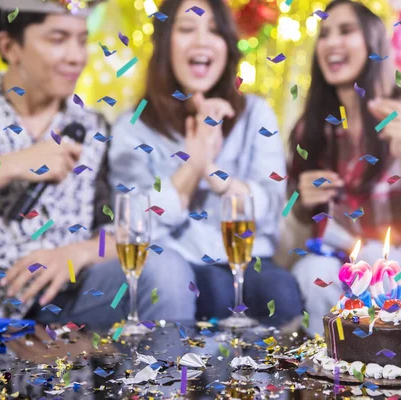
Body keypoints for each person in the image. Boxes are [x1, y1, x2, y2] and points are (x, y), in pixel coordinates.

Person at [0, 0, 191, 325]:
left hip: (70, 295)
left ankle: (164, 377)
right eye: (57, 39)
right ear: (10, 46)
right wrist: (11, 164)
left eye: (82, 40)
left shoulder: (94, 128)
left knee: (166, 271)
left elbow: (120, 224)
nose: (76, 57)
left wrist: (75, 254)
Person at [109, 0, 303, 327]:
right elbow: (132, 224)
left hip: (251, 261)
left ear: (227, 45)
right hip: (181, 261)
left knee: (281, 292)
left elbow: (272, 208)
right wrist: (194, 163)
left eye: (214, 30)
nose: (201, 40)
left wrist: (217, 177)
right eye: (186, 29)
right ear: (164, 44)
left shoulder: (256, 113)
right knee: (211, 291)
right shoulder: (133, 126)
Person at [288, 0, 401, 335]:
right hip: (338, 261)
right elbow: (299, 212)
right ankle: (338, 368)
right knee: (309, 271)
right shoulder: (313, 126)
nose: (332, 43)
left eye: (346, 31)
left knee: (381, 259)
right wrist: (302, 199)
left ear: (373, 43)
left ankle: (388, 366)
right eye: (325, 34)